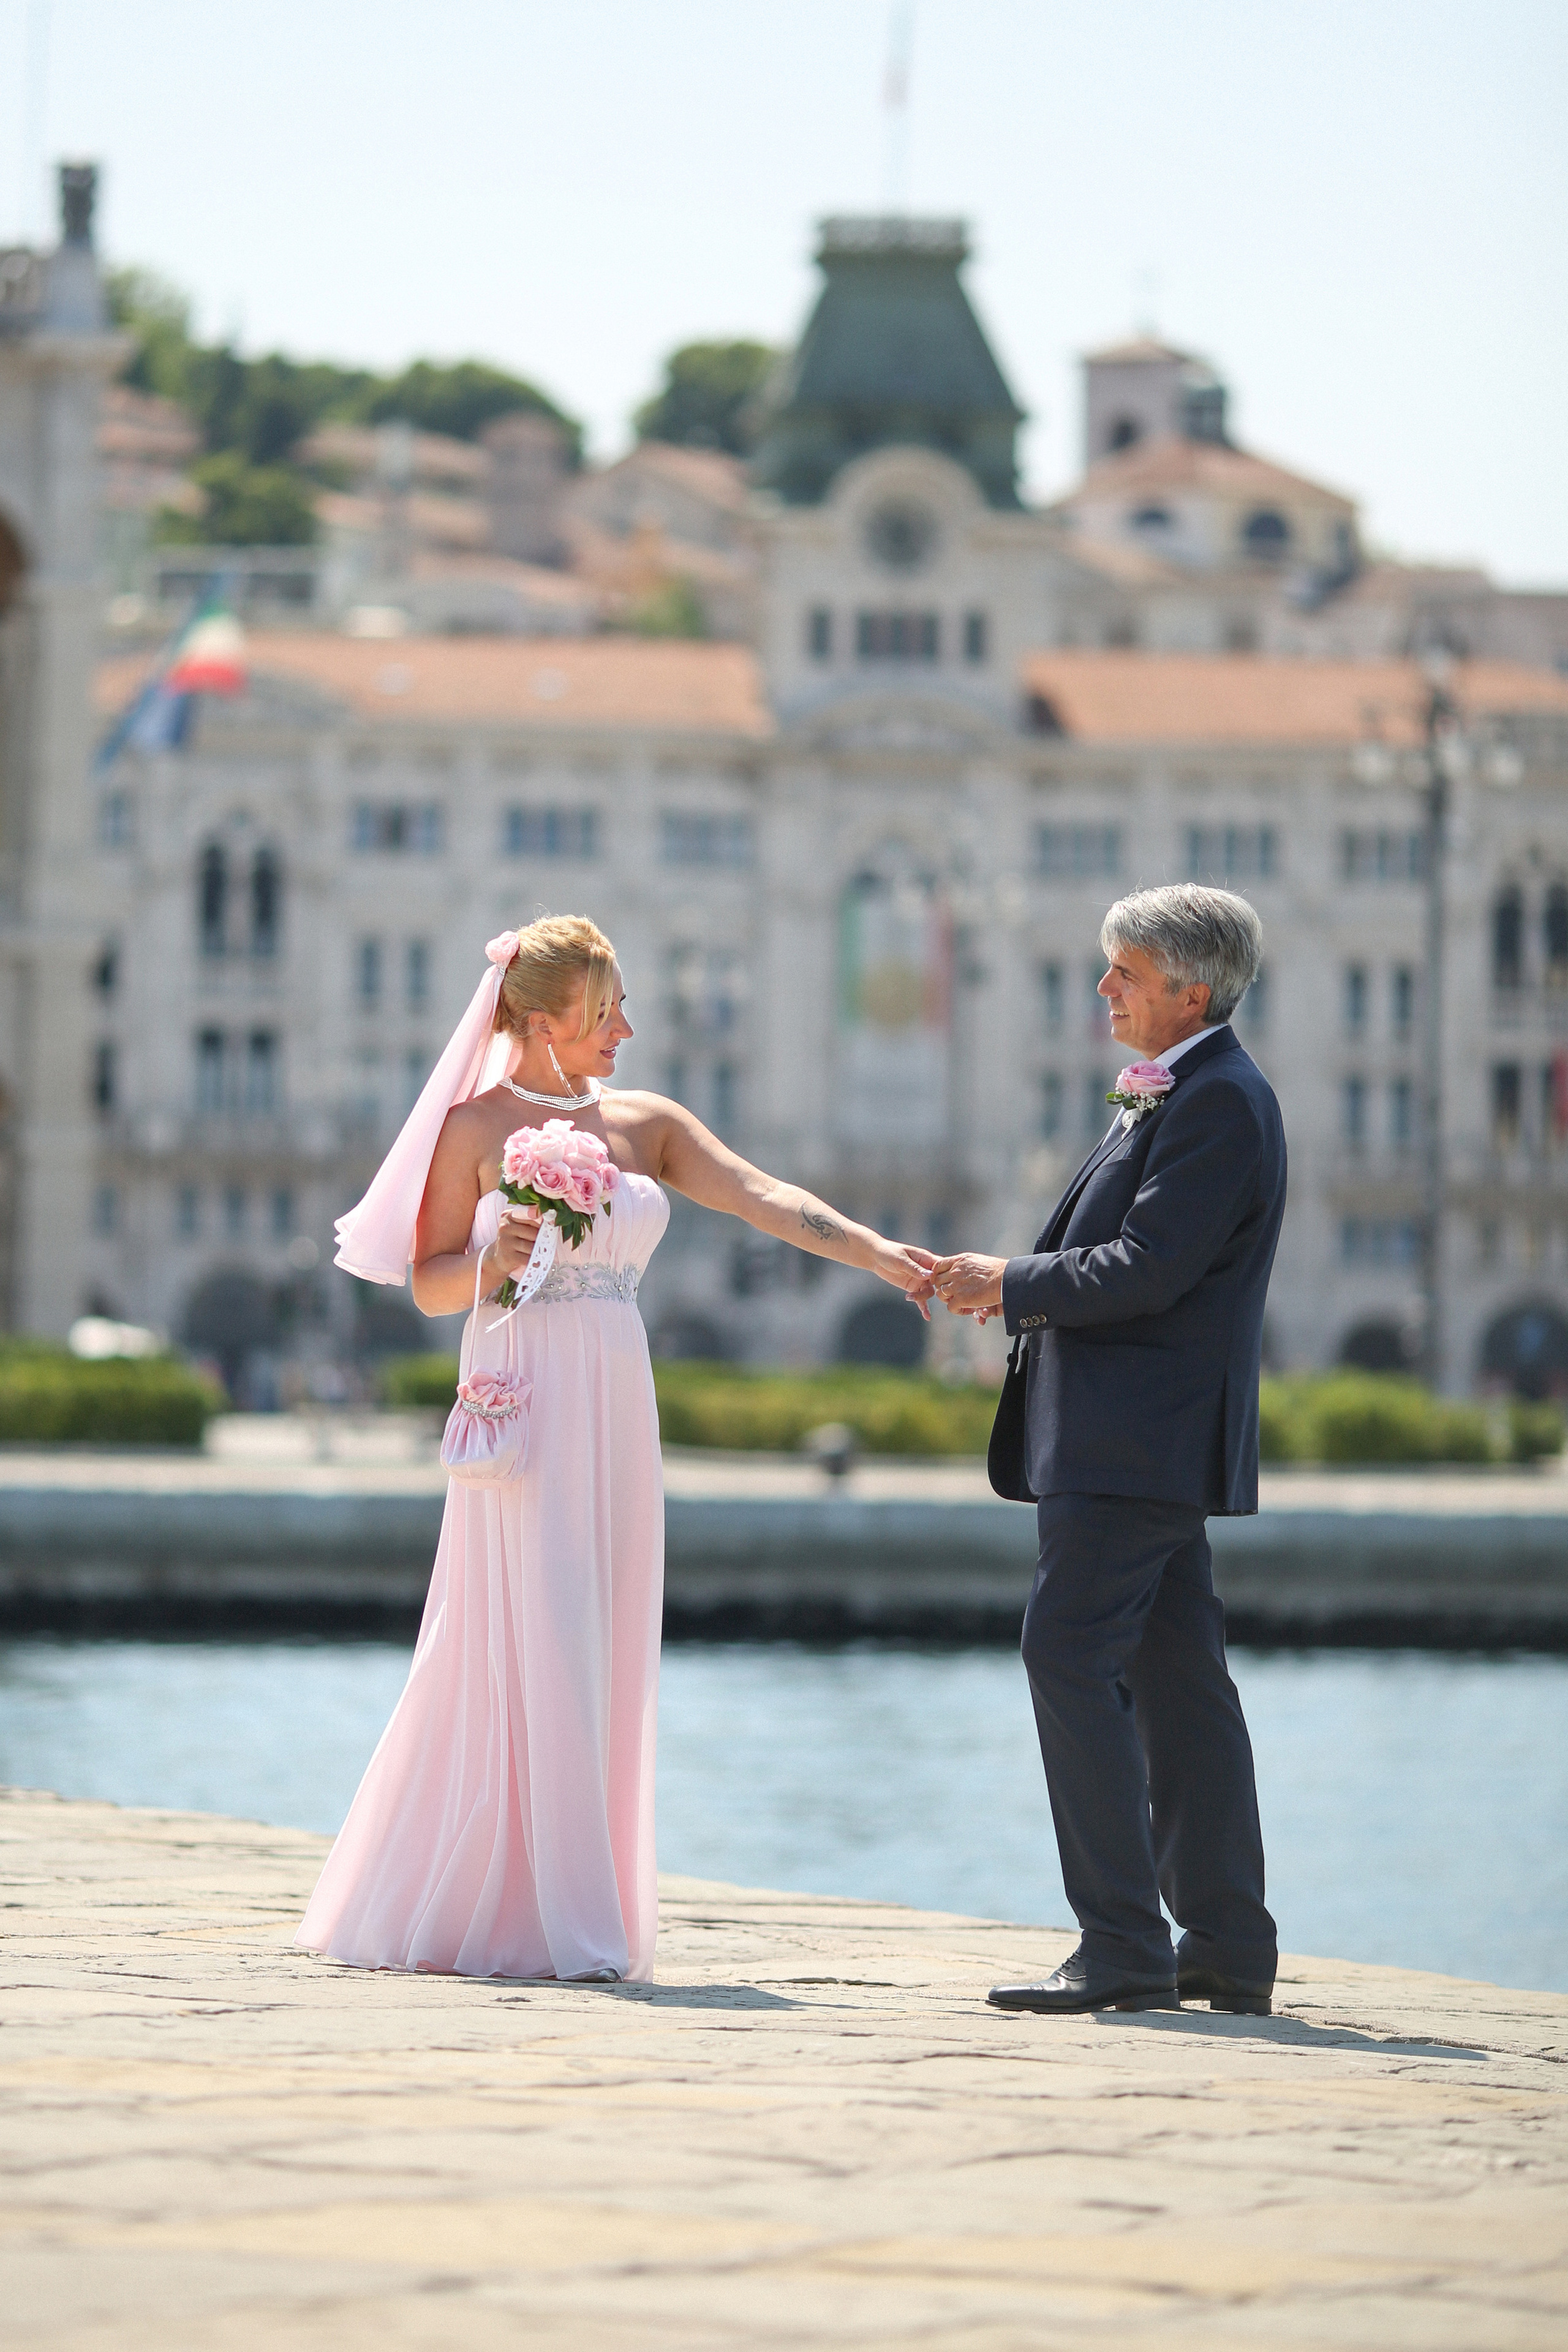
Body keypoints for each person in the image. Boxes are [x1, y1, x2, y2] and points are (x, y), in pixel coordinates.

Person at [297, 914, 928, 1984]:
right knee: (531, 1626)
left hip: (616, 1394)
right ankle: (523, 1913)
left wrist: (879, 1256)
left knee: (607, 1627)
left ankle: (582, 1901)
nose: (628, 1027)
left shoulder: (646, 1124)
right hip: (524, 1392)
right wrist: (493, 1255)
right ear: (542, 1022)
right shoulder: (471, 1127)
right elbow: (430, 1281)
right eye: (608, 1011)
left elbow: (763, 1195)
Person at [922, 885, 1285, 2018]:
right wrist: (1015, 1281)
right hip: (1142, 1443)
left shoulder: (1219, 1099)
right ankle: (1224, 1946)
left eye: (1122, 973)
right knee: (1179, 1687)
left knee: (1067, 1657)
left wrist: (1007, 1284)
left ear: (1192, 989)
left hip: (1135, 1447)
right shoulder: (1187, 1091)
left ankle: (1123, 1945)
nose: (1101, 990)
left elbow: (1147, 1267)